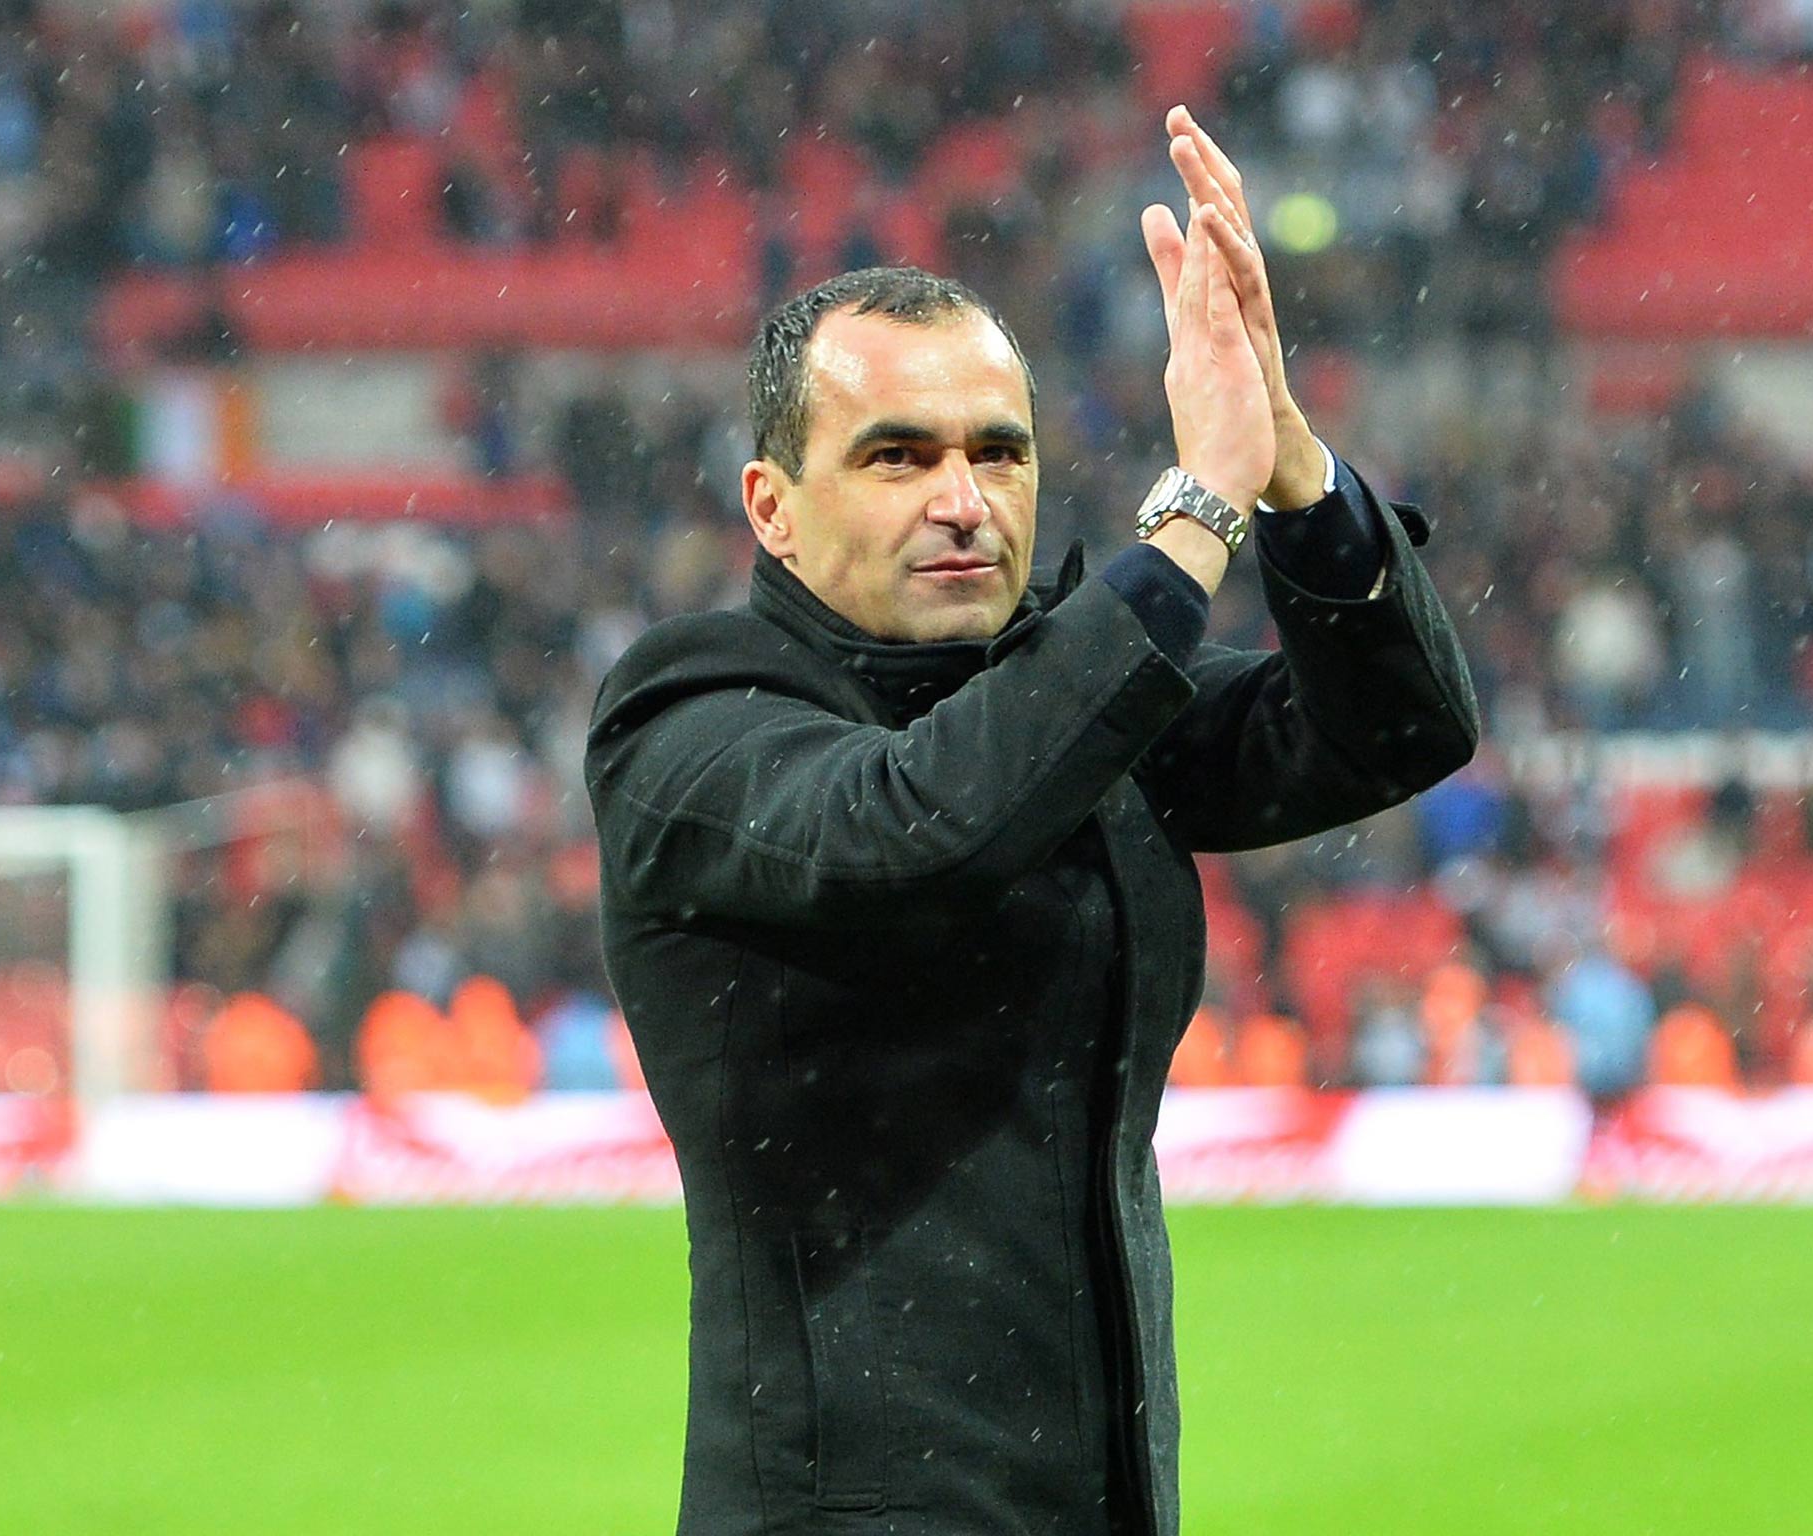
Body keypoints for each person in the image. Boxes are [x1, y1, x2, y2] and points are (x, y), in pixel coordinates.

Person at [585, 107, 1478, 1536]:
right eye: (896, 457)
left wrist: (1291, 460)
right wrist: (1197, 513)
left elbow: (1399, 725)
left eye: (998, 453)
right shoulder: (688, 722)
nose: (964, 502)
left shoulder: (1072, 701)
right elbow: (918, 825)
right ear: (773, 506)